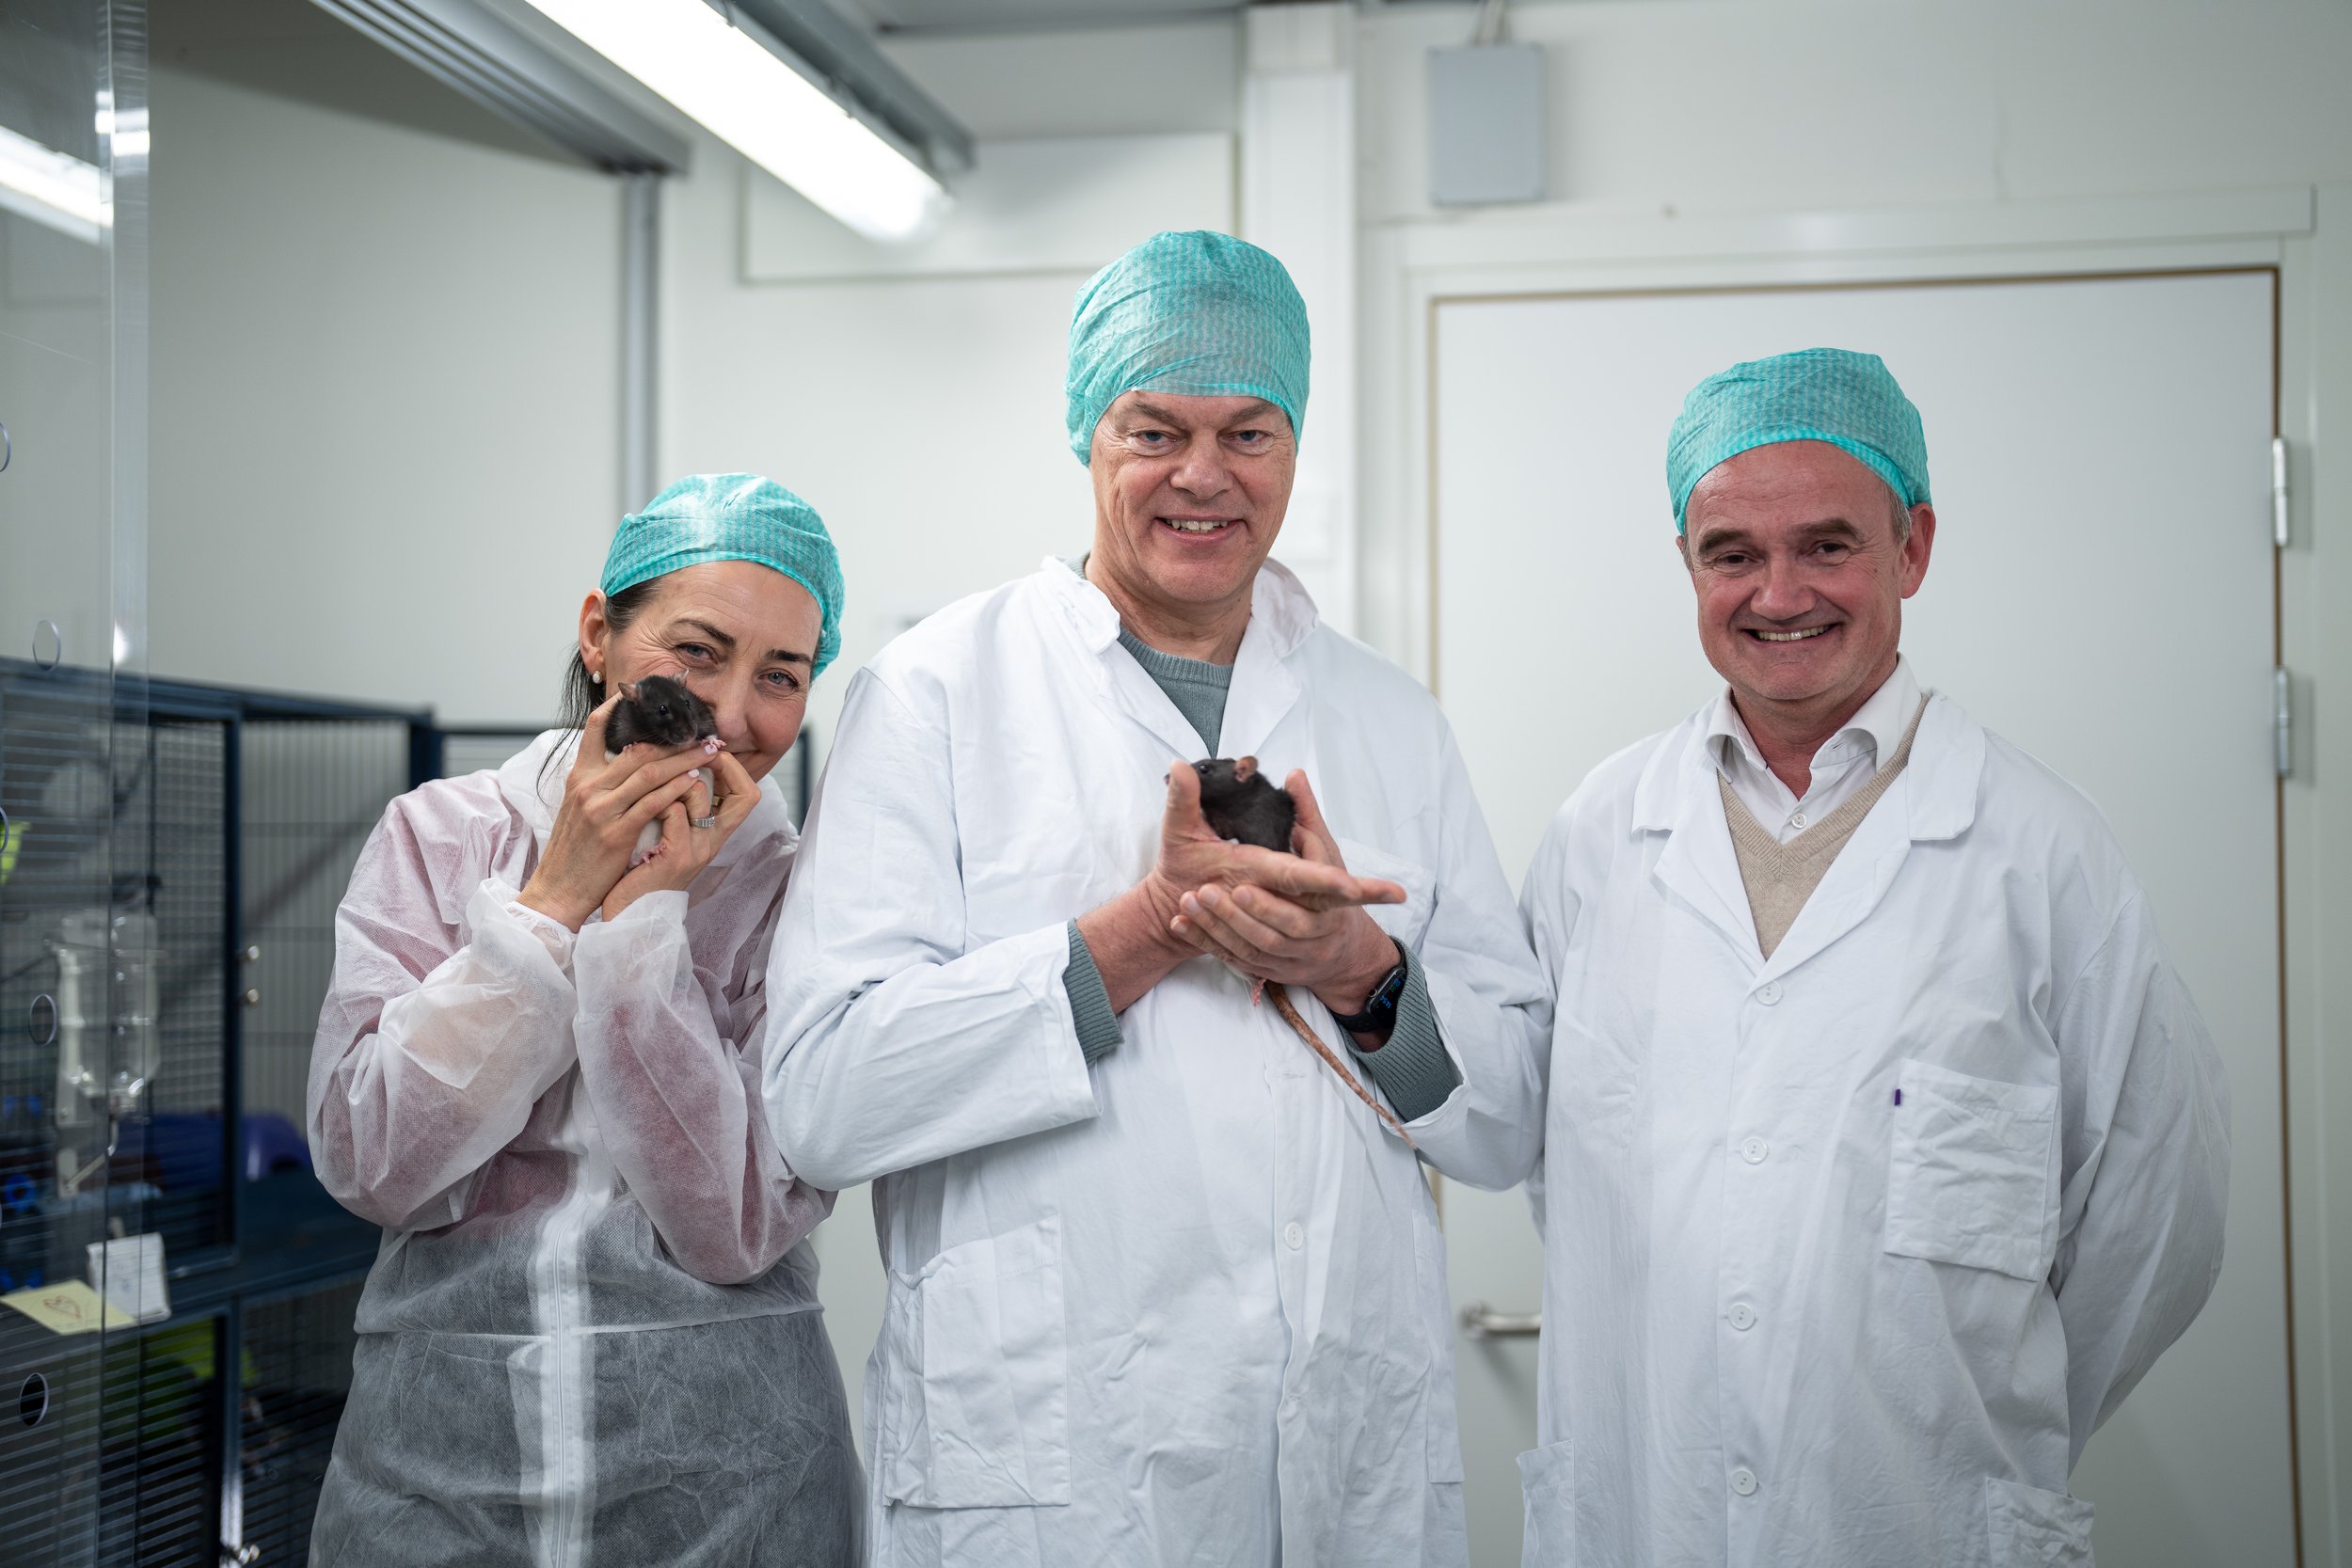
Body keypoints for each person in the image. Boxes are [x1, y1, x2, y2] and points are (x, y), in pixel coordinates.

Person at [761, 230, 1548, 1567]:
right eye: (1153, 428)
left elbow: (1511, 1114)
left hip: (1339, 1448)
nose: (1203, 474)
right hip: (1054, 1467)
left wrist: (1362, 970)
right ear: (1086, 432)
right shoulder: (936, 692)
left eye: (1250, 430)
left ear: (1296, 447)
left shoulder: (1389, 717)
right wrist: (1143, 933)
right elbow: (824, 1095)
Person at [1514, 349, 2231, 1566]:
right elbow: (1553, 1159)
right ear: (1688, 564)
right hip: (1648, 1508)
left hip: (1920, 1511)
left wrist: (1968, 1403)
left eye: (1828, 544)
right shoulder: (1600, 831)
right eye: (1732, 551)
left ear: (1914, 548)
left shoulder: (2040, 848)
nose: (1779, 590)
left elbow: (2155, 1222)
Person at [307, 475, 861, 1566]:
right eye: (696, 653)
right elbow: (372, 1159)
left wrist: (645, 921)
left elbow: (736, 1222)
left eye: (781, 676)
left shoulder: (808, 895)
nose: (733, 718)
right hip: (435, 1478)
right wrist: (553, 904)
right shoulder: (439, 836)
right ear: (600, 633)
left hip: (731, 1487)